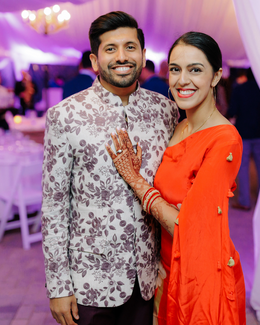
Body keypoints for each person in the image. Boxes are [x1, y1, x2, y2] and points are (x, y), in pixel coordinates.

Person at [41, 11, 179, 325]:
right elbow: (54, 204)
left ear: (143, 56)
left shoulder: (166, 111)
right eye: (110, 49)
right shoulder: (65, 115)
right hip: (89, 281)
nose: (121, 56)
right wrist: (58, 285)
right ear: (95, 60)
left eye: (130, 47)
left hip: (148, 280)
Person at [106, 32, 246, 325]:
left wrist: (135, 179)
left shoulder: (224, 140)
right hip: (167, 265)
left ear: (216, 76)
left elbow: (187, 225)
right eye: (175, 69)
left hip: (201, 273)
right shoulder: (177, 125)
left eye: (195, 69)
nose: (183, 80)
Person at [228, 68, 260, 210]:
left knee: (243, 167)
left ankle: (244, 201)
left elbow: (233, 110)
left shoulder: (240, 89)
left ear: (246, 76)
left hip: (244, 134)